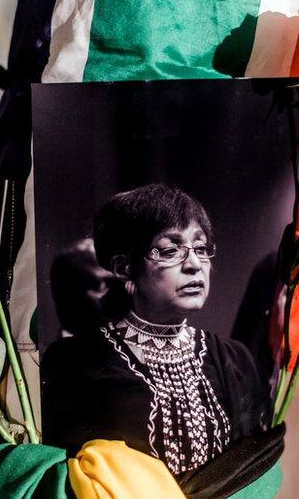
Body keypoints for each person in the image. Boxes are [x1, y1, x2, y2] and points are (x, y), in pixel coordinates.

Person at [41, 183, 272, 474]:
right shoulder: (71, 363)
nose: (194, 265)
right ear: (125, 267)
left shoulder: (234, 360)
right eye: (169, 250)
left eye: (200, 248)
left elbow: (253, 473)